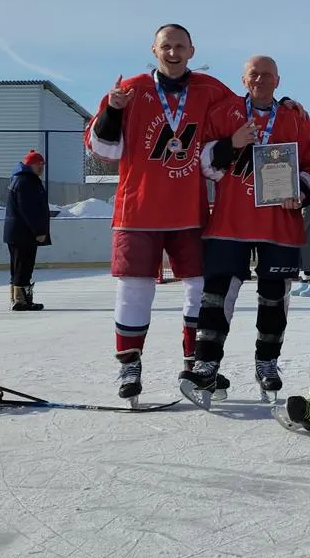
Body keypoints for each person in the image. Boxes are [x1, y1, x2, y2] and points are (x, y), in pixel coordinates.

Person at [85, 23, 236, 401]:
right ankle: (130, 366)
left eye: (180, 46)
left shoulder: (210, 88)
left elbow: (245, 109)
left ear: (192, 50)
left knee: (200, 288)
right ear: (154, 50)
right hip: (138, 211)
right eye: (166, 46)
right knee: (135, 289)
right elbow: (101, 149)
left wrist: (281, 104)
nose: (173, 52)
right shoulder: (131, 89)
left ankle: (196, 363)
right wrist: (114, 112)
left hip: (190, 210)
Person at [183, 55, 310, 402]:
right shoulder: (224, 112)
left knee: (275, 297)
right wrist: (232, 144)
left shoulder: (296, 118)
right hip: (231, 221)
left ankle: (267, 362)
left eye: (268, 75)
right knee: (217, 294)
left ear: (278, 80)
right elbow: (205, 166)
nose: (261, 80)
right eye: (254, 74)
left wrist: (301, 193)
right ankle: (206, 364)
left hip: (279, 222)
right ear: (244, 80)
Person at [3, 150, 51, 310]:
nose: (42, 167)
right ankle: (20, 301)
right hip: (23, 234)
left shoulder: (23, 179)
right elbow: (28, 210)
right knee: (23, 266)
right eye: (39, 164)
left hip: (19, 233)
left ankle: (18, 299)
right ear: (31, 165)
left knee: (19, 267)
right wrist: (38, 231)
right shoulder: (26, 181)